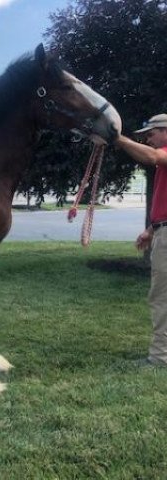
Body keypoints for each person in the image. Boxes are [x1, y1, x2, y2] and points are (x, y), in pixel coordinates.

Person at [116, 113, 167, 366]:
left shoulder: (163, 156)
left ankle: (159, 357)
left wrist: (117, 139)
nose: (147, 139)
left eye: (150, 133)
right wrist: (151, 229)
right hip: (162, 231)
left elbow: (152, 156)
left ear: (165, 131)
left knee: (161, 296)